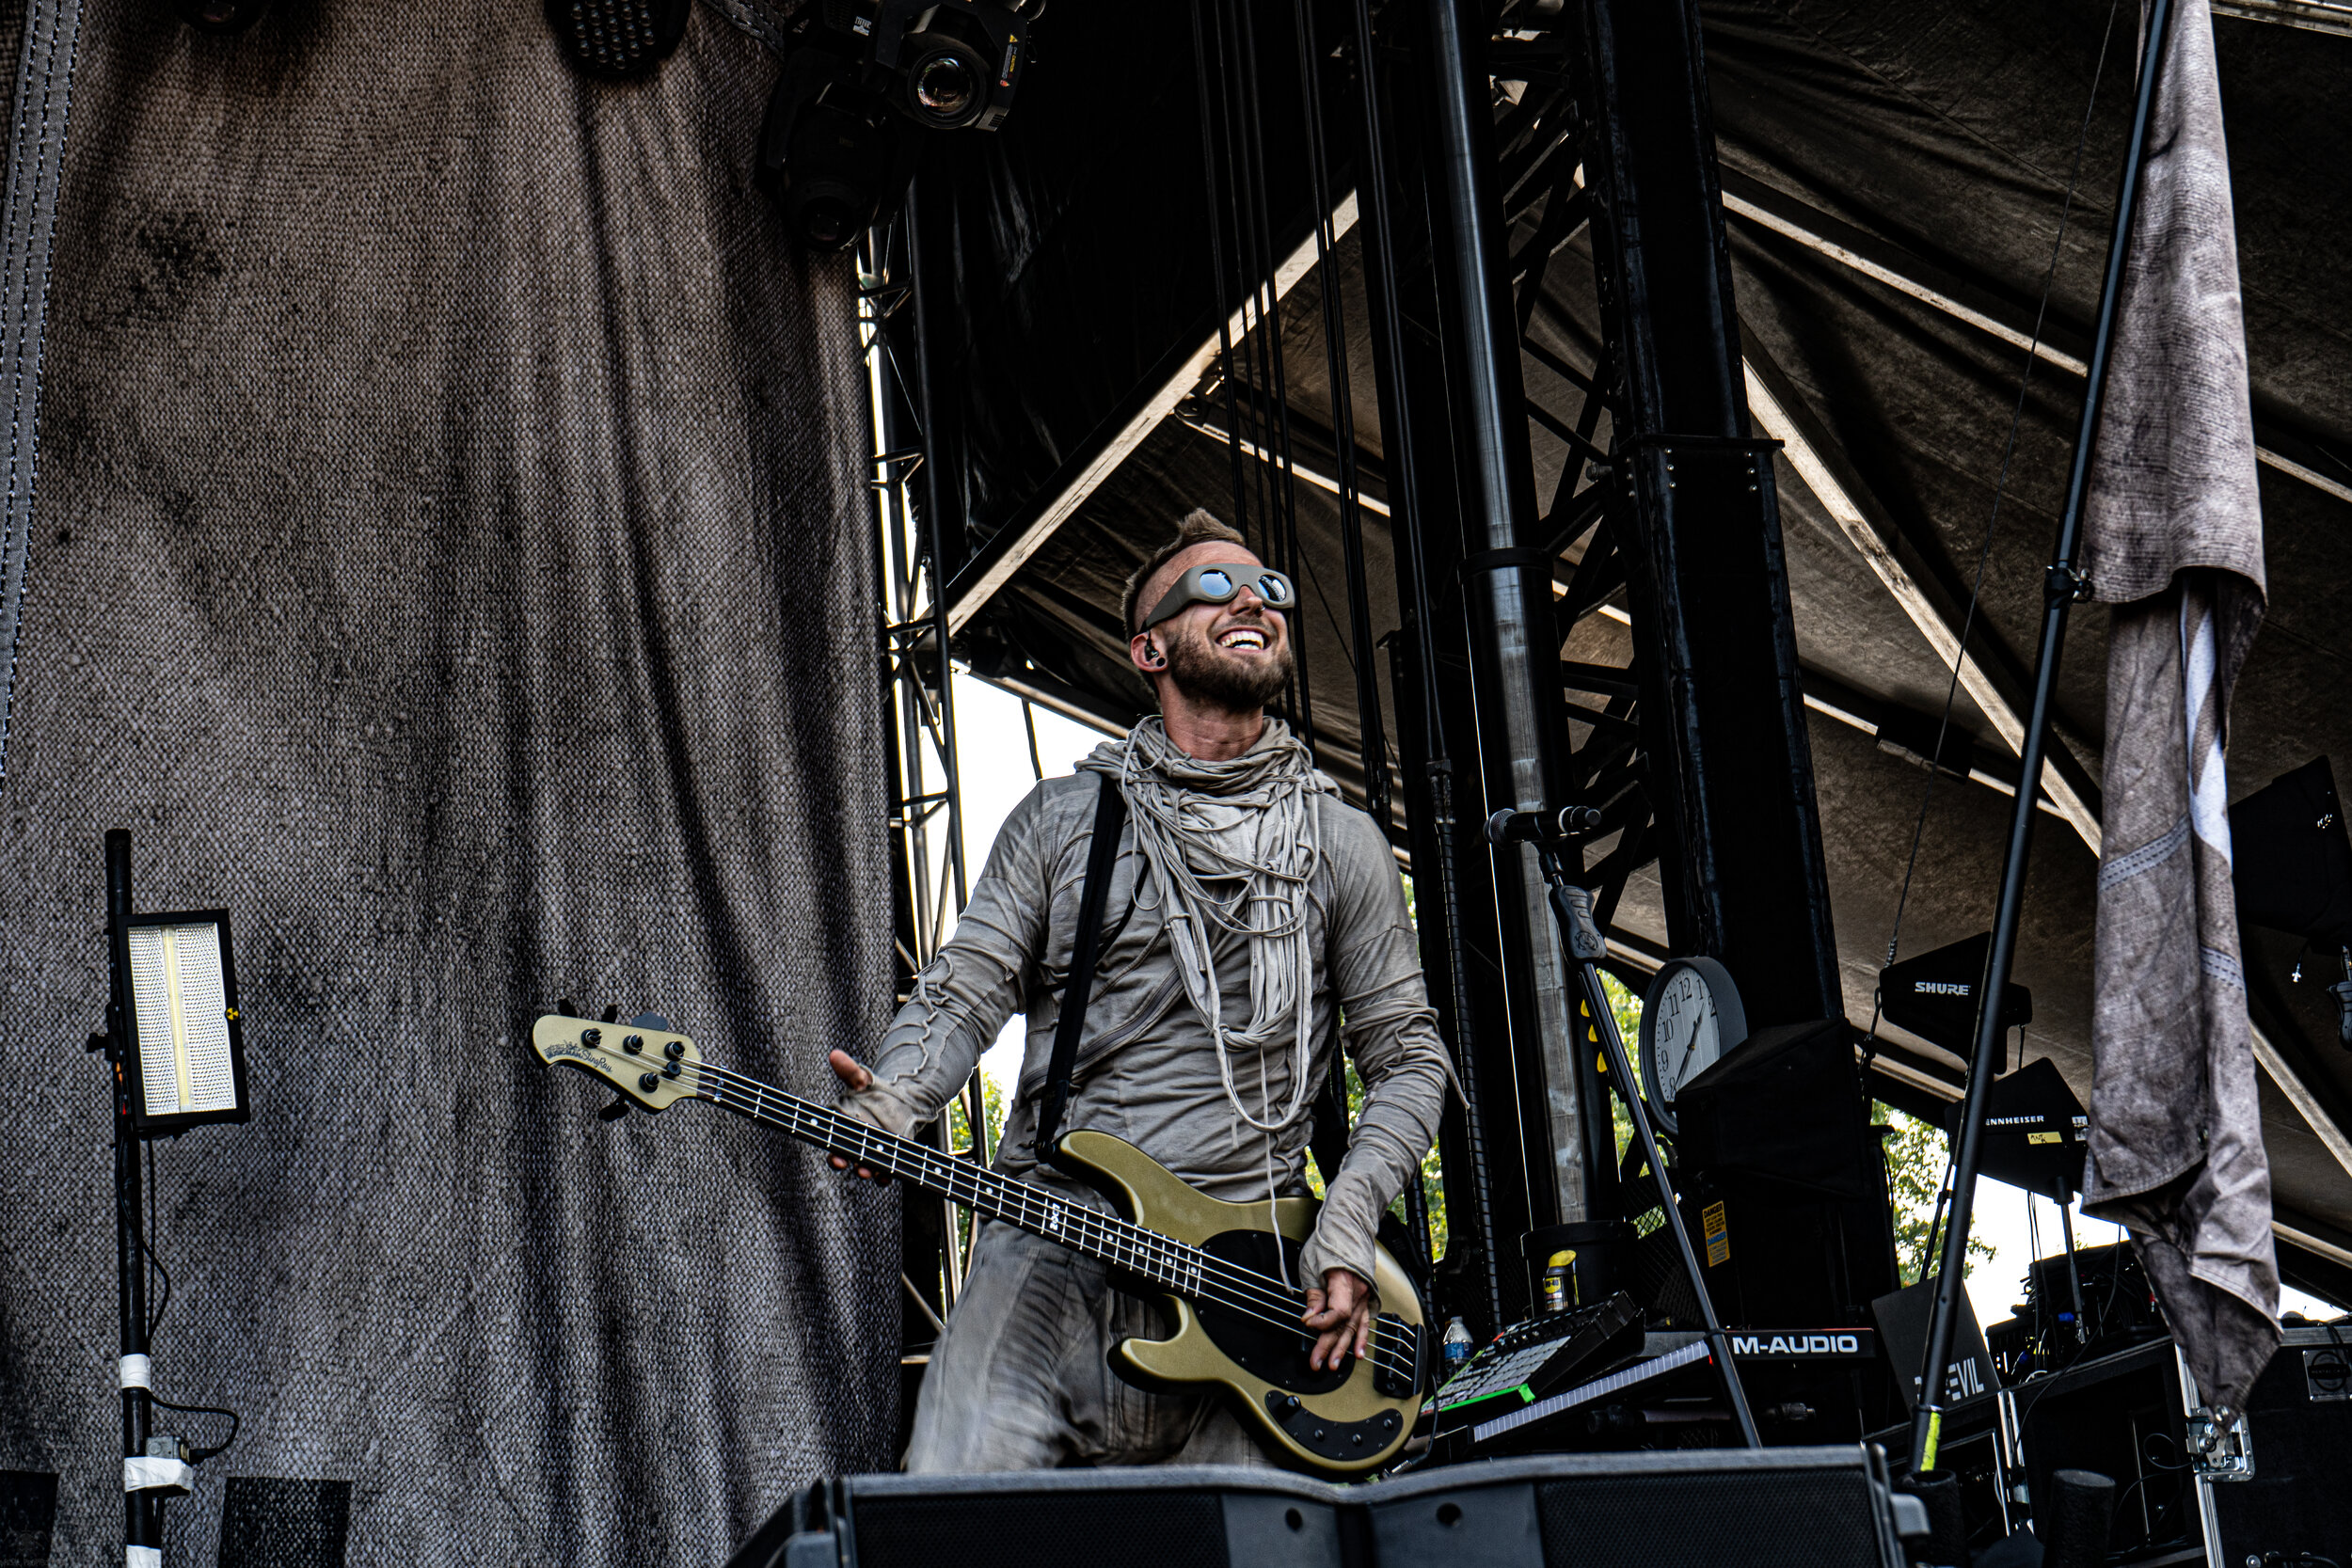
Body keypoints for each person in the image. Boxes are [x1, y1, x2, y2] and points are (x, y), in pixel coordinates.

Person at [829, 508, 1453, 1470]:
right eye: (1213, 587)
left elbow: (1409, 1060)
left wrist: (1346, 1222)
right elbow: (964, 989)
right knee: (951, 1517)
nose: (1253, 599)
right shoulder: (1063, 821)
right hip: (1052, 1255)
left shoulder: (1340, 841)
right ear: (1147, 647)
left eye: (1268, 588)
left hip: (1262, 1283)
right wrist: (896, 1098)